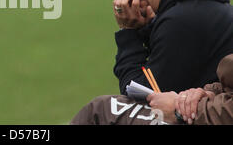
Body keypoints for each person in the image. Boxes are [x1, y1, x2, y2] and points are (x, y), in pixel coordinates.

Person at [108, 0, 233, 95]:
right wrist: (146, 29)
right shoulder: (190, 5)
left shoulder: (180, 19)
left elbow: (140, 97)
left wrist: (128, 32)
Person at [70, 54, 233, 125]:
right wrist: (210, 92)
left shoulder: (181, 22)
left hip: (202, 116)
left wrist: (181, 109)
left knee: (101, 111)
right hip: (211, 107)